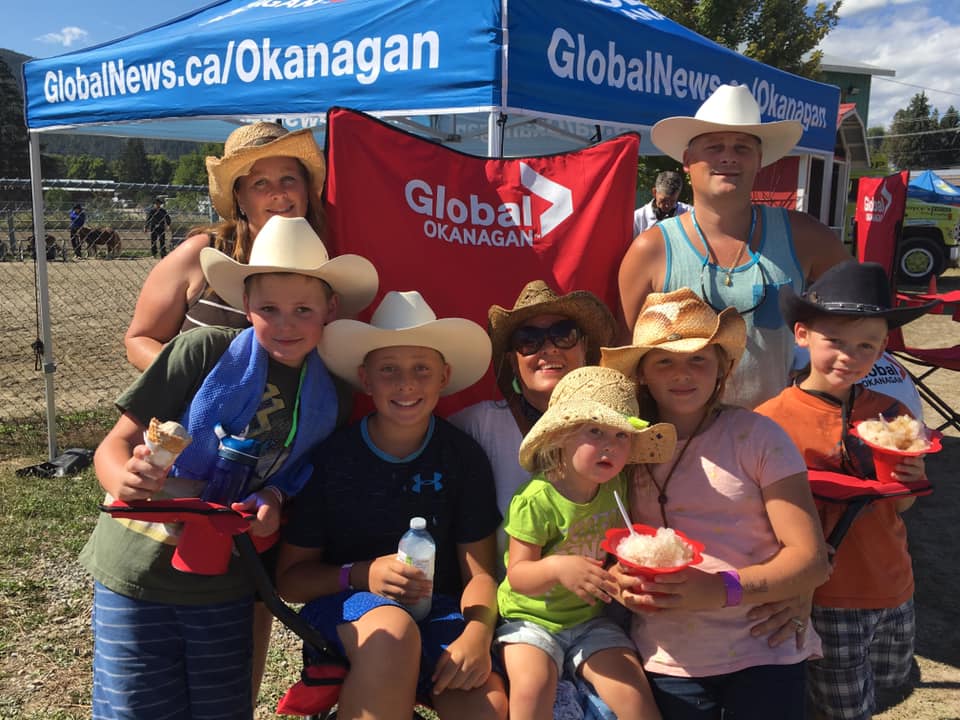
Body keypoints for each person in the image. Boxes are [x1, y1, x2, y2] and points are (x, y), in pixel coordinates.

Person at [82, 215, 378, 719]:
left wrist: (276, 500)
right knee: (135, 709)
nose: (285, 324)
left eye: (302, 309)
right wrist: (124, 479)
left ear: (330, 308)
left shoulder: (335, 395)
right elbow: (114, 447)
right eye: (269, 309)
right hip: (137, 571)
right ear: (245, 306)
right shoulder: (201, 351)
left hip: (228, 581)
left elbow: (299, 479)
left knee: (223, 708)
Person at [276, 290, 508, 720]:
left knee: (487, 706)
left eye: (422, 368)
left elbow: (480, 574)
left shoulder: (462, 456)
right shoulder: (333, 458)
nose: (406, 384)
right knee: (393, 633)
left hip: (439, 614)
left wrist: (477, 633)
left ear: (444, 375)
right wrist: (362, 574)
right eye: (389, 370)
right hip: (349, 610)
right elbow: (290, 582)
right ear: (365, 379)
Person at [601, 287, 831, 720]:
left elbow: (811, 559)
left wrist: (722, 589)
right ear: (642, 373)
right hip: (668, 656)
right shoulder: (620, 449)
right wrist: (617, 581)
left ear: (722, 369)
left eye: (698, 359)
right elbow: (601, 544)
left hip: (766, 646)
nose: (681, 374)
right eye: (664, 360)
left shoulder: (759, 437)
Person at [755, 261, 934, 720]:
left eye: (866, 346)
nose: (848, 356)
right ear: (802, 335)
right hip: (829, 596)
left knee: (890, 688)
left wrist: (907, 482)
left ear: (881, 350)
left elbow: (903, 506)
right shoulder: (771, 421)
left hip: (894, 584)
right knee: (839, 710)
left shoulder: (891, 412)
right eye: (834, 340)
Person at [618, 83, 851, 410]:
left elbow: (858, 313)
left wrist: (817, 381)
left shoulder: (804, 236)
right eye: (714, 147)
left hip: (776, 440)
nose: (728, 156)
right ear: (687, 161)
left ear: (760, 160)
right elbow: (623, 357)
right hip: (680, 446)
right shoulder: (651, 249)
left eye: (742, 148)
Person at [496, 365, 673, 720]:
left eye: (622, 436)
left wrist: (623, 573)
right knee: (532, 690)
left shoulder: (616, 490)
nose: (610, 445)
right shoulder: (537, 499)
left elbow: (611, 556)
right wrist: (558, 567)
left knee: (635, 697)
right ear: (561, 436)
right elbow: (518, 575)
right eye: (595, 431)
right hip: (531, 619)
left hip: (591, 620)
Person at [124, 121, 327, 372]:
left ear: (306, 188)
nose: (278, 193)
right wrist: (191, 384)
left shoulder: (328, 262)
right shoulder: (203, 254)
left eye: (289, 179)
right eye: (260, 183)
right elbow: (139, 340)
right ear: (239, 196)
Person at [633, 170, 691, 237]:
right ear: (654, 192)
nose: (667, 205)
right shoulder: (638, 218)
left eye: (672, 201)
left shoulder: (689, 214)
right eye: (663, 200)